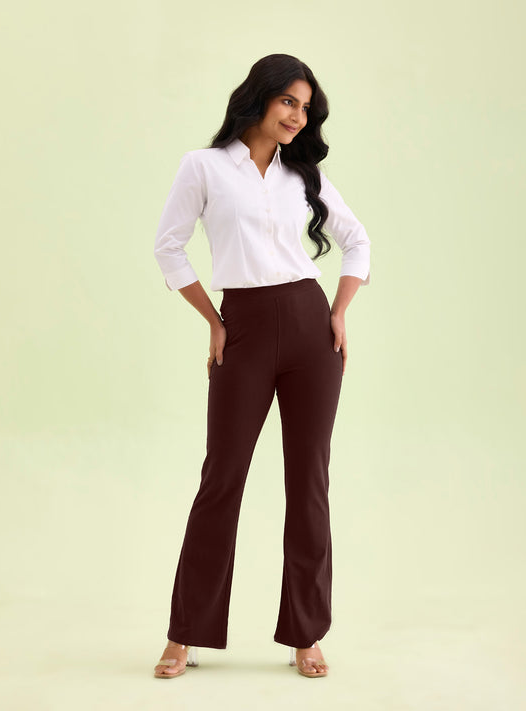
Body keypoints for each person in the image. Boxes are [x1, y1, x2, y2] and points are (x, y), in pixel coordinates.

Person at [152, 53, 371, 679]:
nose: (298, 117)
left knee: (309, 481)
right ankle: (186, 632)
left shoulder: (303, 174)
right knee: (222, 477)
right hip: (243, 327)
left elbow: (357, 240)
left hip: (309, 327)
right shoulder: (203, 167)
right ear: (260, 97)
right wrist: (214, 321)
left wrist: (339, 311)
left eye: (306, 108)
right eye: (288, 103)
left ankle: (306, 632)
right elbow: (169, 247)